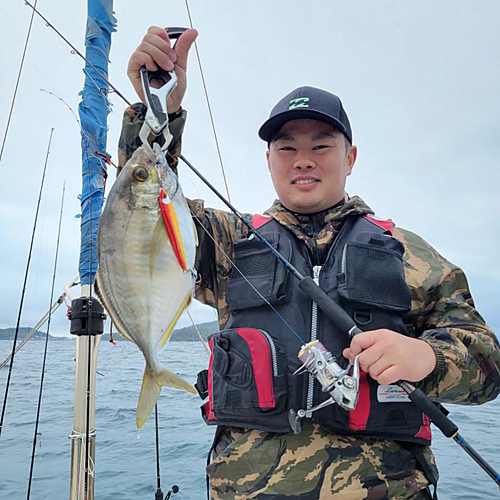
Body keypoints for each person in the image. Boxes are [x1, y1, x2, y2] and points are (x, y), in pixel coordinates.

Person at [120, 27, 500, 500]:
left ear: (351, 157)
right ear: (268, 160)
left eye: (321, 145)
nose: (303, 160)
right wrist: (158, 109)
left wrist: (428, 358)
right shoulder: (226, 242)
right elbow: (141, 209)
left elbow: (489, 364)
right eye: (287, 147)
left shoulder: (409, 253)